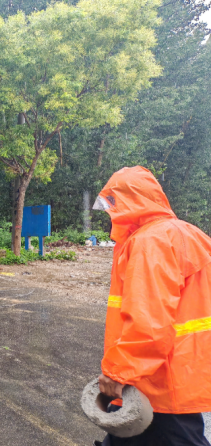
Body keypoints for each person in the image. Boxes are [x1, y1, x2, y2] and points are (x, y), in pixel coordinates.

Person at [93, 166, 211, 446]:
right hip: (181, 374)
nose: (110, 213)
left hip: (156, 385)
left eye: (113, 204)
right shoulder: (191, 234)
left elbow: (150, 322)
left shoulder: (151, 242)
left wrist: (118, 372)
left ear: (129, 202)